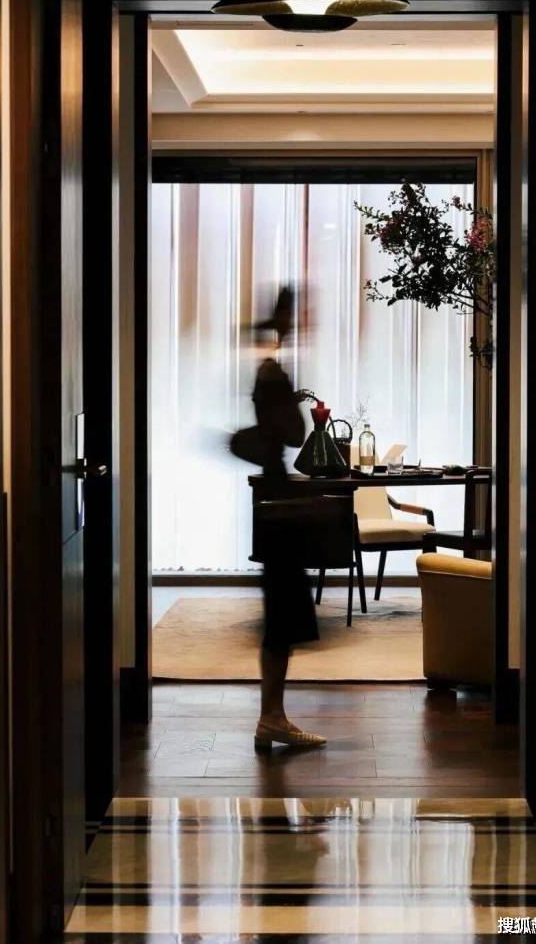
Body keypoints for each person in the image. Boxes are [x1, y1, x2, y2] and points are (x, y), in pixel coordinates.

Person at [231, 287, 326, 751]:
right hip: (277, 506)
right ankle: (271, 717)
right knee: (282, 616)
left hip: (273, 500)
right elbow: (293, 432)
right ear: (284, 317)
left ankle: (273, 716)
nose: (305, 320)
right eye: (299, 313)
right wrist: (295, 404)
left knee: (281, 616)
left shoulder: (269, 370)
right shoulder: (273, 372)